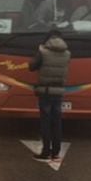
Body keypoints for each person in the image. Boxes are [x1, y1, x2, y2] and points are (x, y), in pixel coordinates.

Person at [28, 30, 71, 162]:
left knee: (45, 122)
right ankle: (56, 152)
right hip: (58, 92)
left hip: (45, 91)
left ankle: (46, 151)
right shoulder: (67, 54)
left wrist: (38, 52)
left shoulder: (43, 52)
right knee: (57, 122)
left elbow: (31, 67)